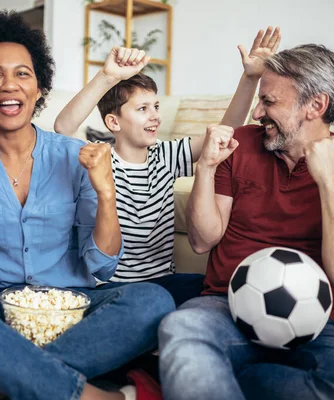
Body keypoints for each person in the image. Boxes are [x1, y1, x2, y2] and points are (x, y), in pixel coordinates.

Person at [0, 10, 176, 400]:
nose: (10, 85)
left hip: (76, 307)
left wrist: (107, 194)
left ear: (39, 90)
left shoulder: (75, 155)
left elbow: (102, 265)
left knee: (153, 300)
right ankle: (89, 393)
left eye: (23, 73)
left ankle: (5, 376)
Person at [158, 44, 334, 400]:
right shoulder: (239, 144)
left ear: (316, 105)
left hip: (309, 322)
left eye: (269, 102)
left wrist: (329, 180)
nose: (256, 112)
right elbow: (202, 241)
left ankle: (243, 379)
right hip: (225, 305)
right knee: (181, 330)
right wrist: (205, 167)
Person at [54, 28, 281, 307]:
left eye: (156, 107)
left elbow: (225, 133)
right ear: (113, 123)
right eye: (142, 109)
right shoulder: (100, 160)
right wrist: (108, 77)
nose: (155, 117)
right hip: (110, 288)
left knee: (218, 291)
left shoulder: (167, 156)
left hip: (163, 284)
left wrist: (250, 77)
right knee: (145, 304)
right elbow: (63, 127)